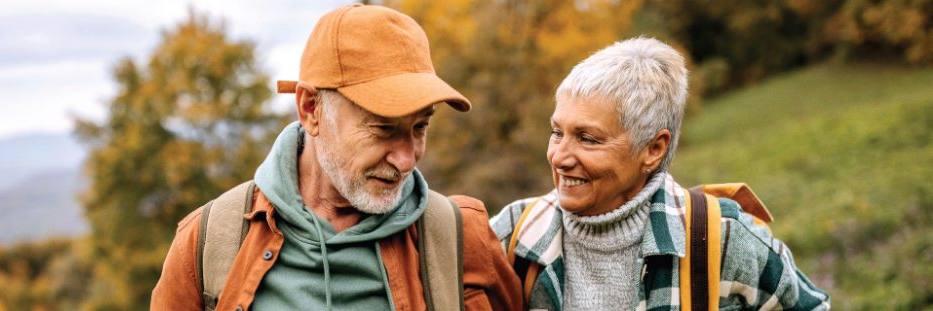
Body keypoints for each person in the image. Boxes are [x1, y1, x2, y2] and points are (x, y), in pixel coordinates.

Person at [152, 4, 522, 310]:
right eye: (383, 129)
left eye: (420, 128)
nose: (407, 160)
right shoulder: (209, 241)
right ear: (311, 109)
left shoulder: (460, 239)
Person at [490, 37, 830, 310]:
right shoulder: (512, 235)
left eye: (587, 139)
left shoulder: (723, 238)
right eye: (556, 132)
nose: (559, 156)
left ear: (653, 149)